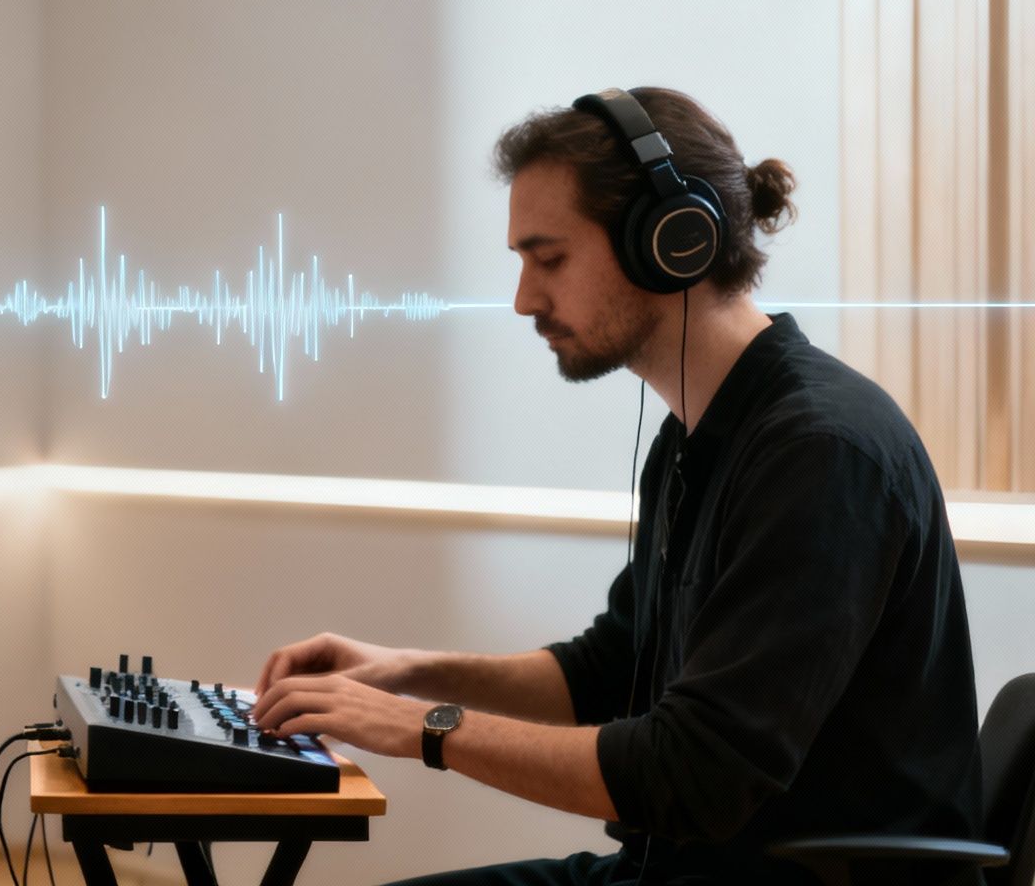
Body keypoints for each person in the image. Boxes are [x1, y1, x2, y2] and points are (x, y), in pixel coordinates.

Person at [251, 88, 983, 884]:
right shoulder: (695, 436)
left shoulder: (821, 455)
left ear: (670, 242)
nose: (524, 300)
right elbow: (612, 667)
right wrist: (406, 671)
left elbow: (696, 773)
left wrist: (424, 726)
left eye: (550, 259)